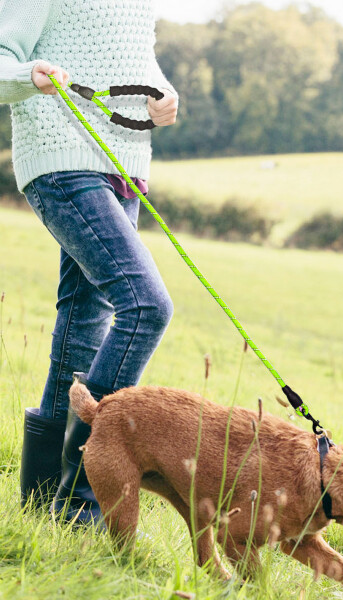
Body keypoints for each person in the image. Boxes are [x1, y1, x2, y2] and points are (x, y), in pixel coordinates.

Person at [0, 0, 178, 524]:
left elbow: (137, 63)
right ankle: (81, 499)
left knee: (83, 325)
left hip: (122, 164)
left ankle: (40, 499)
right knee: (146, 306)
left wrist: (163, 95)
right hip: (62, 163)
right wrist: (28, 75)